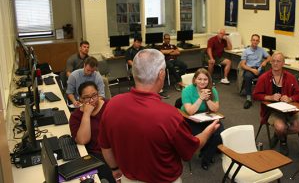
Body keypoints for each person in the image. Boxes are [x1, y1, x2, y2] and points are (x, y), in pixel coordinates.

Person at [98, 49, 220, 183]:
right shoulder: (170, 116)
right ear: (161, 74)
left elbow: (105, 146)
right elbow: (190, 150)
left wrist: (115, 169)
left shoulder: (112, 104)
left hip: (128, 178)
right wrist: (207, 132)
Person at [253, 51, 299, 156]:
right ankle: (283, 141)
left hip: (289, 110)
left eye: (278, 61)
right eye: (273, 61)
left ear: (283, 63)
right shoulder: (264, 77)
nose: (275, 63)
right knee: (281, 127)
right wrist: (269, 97)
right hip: (272, 111)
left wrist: (290, 98)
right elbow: (255, 95)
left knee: (297, 128)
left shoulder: (290, 77)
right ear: (270, 63)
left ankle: (277, 134)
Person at [69, 81, 115, 183]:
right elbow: (83, 140)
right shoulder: (76, 117)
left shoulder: (110, 106)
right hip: (96, 155)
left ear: (98, 94)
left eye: (94, 95)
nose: (92, 100)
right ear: (80, 98)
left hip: (114, 150)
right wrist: (86, 114)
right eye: (86, 97)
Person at [181, 68, 224, 170]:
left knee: (219, 132)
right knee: (203, 133)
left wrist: (207, 99)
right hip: (190, 118)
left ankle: (206, 156)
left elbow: (215, 108)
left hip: (206, 116)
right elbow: (190, 111)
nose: (202, 82)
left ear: (208, 80)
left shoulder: (212, 90)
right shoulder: (187, 90)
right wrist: (200, 98)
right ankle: (207, 156)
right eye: (199, 79)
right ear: (195, 79)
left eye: (205, 79)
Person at [240, 34, 270, 109]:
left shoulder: (261, 50)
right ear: (251, 41)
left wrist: (265, 61)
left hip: (259, 69)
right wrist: (252, 70)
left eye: (257, 40)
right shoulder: (246, 51)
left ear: (259, 41)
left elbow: (270, 57)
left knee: (268, 76)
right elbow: (242, 65)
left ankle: (266, 96)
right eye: (253, 40)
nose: (255, 42)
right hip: (250, 69)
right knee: (247, 76)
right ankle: (248, 99)